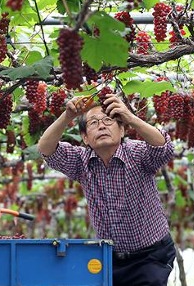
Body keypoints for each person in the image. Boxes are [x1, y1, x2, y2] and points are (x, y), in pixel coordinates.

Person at [37, 93, 176, 286]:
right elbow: (46, 149)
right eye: (93, 123)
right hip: (109, 257)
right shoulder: (81, 162)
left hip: (150, 255)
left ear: (122, 131)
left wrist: (129, 117)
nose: (101, 126)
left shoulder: (137, 154)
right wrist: (67, 116)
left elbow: (164, 148)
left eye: (108, 120)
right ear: (85, 137)